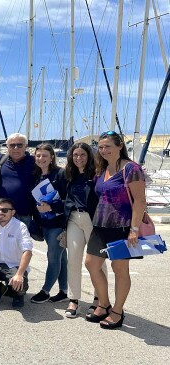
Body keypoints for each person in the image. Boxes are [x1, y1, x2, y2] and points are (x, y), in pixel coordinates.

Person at [84, 131, 146, 329]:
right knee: (91, 264)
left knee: (119, 269)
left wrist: (134, 230)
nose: (103, 150)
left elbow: (140, 201)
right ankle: (103, 304)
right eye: (101, 147)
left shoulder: (131, 168)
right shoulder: (103, 168)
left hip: (122, 227)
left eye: (108, 146)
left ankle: (117, 312)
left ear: (120, 146)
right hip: (101, 226)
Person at [62, 143, 107, 318]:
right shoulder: (69, 174)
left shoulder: (97, 175)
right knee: (73, 260)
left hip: (93, 221)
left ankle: (99, 299)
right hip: (74, 219)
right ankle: (73, 299)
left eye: (82, 155)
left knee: (98, 262)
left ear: (89, 156)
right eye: (75, 155)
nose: (78, 158)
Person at [29, 143, 68, 304]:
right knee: (61, 258)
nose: (41, 158)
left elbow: (68, 200)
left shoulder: (60, 174)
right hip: (44, 224)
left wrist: (52, 206)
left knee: (53, 258)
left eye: (45, 155)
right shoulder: (36, 176)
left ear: (52, 157)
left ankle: (45, 291)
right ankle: (64, 291)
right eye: (38, 155)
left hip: (58, 224)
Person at [0, 133, 36, 231]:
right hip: (3, 212)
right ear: (7, 147)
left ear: (26, 146)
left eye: (19, 145)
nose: (16, 148)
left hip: (24, 214)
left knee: (21, 245)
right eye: (12, 145)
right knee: (1, 243)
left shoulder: (34, 162)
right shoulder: (0, 160)